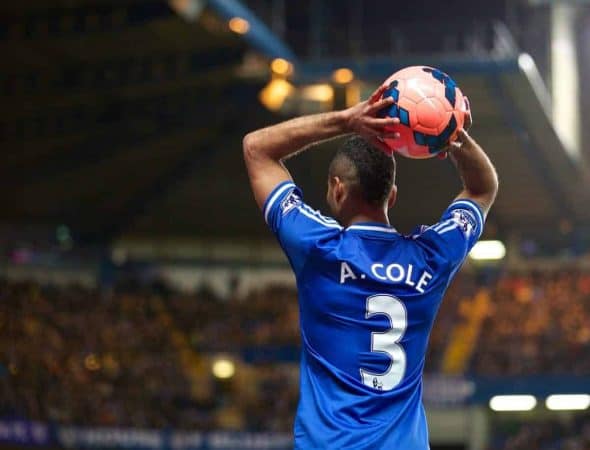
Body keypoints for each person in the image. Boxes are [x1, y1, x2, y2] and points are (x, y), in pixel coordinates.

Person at [243, 84, 498, 449]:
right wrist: (455, 135)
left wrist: (347, 120)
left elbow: (256, 149)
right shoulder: (430, 258)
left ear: (337, 189)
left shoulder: (317, 247)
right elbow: (481, 190)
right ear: (392, 196)